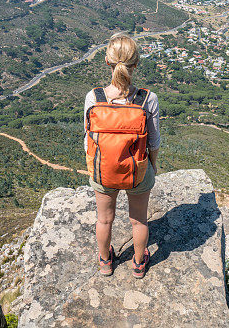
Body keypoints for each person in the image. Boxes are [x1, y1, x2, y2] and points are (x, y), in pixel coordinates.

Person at [83, 32, 160, 278]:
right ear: (136, 64)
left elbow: (87, 142)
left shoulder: (94, 98)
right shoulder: (147, 99)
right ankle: (138, 263)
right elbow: (154, 142)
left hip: (103, 170)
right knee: (139, 221)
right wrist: (152, 167)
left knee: (104, 220)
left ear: (107, 62)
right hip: (137, 171)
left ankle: (106, 261)